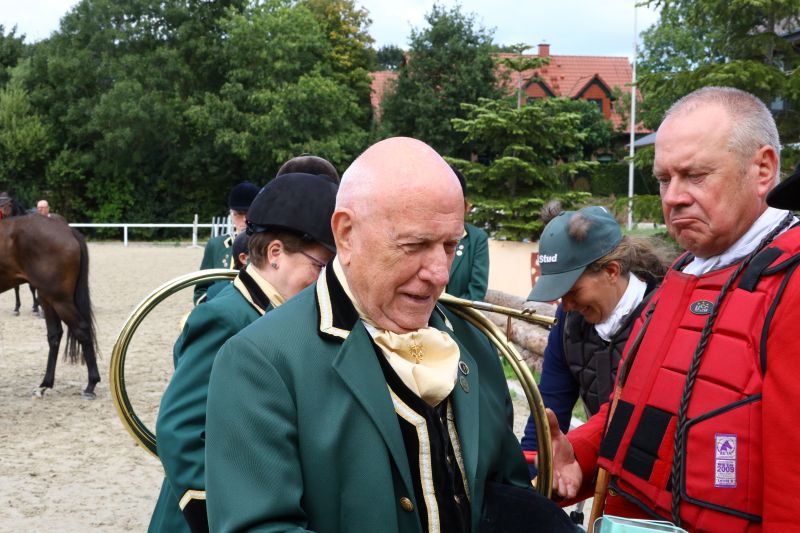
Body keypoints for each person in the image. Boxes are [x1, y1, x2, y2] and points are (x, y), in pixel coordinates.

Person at [204, 137, 560, 533]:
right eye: (415, 245)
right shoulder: (261, 362)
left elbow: (502, 493)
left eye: (449, 246)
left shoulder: (473, 343)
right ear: (346, 234)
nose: (440, 273)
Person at [547, 87, 800, 531]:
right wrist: (578, 456)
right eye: (664, 179)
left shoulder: (790, 283)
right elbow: (640, 406)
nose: (673, 197)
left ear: (762, 169)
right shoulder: (682, 273)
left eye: (695, 175)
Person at [148, 173, 339, 533]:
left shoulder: (285, 313)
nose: (329, 279)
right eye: (322, 266)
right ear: (275, 253)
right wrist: (221, 519)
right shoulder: (226, 317)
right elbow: (180, 432)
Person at [521, 204, 669, 478]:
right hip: (599, 473)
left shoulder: (666, 316)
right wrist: (529, 484)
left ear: (611, 271)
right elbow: (549, 412)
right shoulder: (569, 322)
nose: (566, 306)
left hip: (654, 481)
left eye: (573, 291)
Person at [193, 181, 259, 304]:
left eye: (249, 213)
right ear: (231, 215)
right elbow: (200, 291)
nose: (245, 220)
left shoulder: (267, 245)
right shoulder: (215, 245)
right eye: (239, 214)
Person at [445, 166, 490, 301]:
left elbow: (476, 291)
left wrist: (444, 312)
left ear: (464, 206)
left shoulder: (477, 239)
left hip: (456, 313)